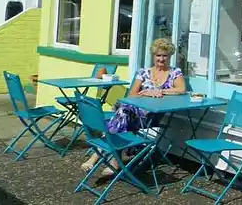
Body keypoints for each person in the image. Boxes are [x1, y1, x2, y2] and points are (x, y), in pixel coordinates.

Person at [80, 38, 187, 175]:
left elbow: (181, 89)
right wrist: (147, 93)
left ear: (170, 56)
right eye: (158, 55)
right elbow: (132, 95)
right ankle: (116, 159)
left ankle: (98, 157)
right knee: (123, 114)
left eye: (165, 56)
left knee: (121, 114)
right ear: (153, 56)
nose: (161, 59)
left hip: (151, 116)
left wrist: (159, 91)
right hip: (134, 113)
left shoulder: (175, 72)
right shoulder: (143, 72)